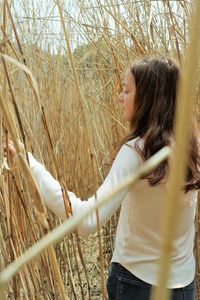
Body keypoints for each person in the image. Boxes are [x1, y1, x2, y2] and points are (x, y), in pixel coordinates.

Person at [4, 56, 200, 300]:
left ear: (148, 100)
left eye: (127, 91)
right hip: (183, 288)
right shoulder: (193, 149)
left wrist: (28, 164)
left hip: (137, 286)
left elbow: (87, 220)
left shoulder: (136, 152)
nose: (119, 96)